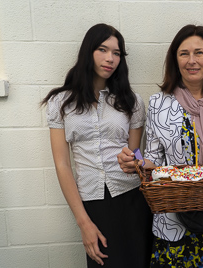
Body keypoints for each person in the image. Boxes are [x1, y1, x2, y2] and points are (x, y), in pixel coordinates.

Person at [118, 24, 203, 267]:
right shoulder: (159, 103)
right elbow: (153, 161)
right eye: (184, 54)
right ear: (175, 59)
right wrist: (137, 162)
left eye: (199, 52)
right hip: (175, 223)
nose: (191, 60)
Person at [41, 23, 153, 268]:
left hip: (132, 198)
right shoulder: (61, 103)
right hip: (92, 203)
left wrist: (134, 160)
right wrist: (84, 223)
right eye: (103, 50)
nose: (110, 58)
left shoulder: (132, 102)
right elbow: (62, 165)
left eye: (116, 53)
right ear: (88, 51)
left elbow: (134, 157)